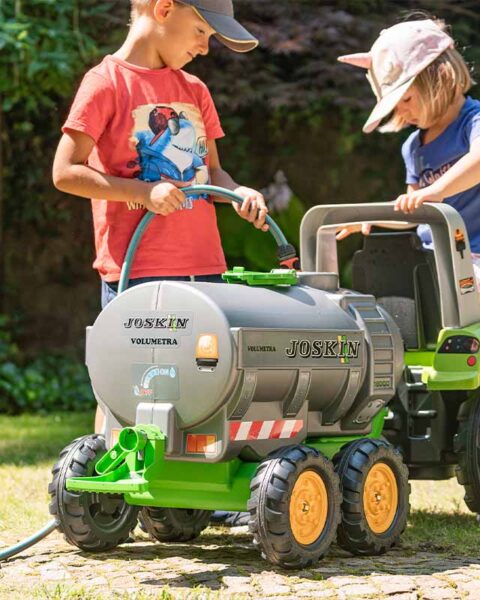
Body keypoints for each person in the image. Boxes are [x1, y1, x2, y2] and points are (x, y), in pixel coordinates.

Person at [52, 0, 266, 527]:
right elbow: (65, 171)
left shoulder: (195, 91)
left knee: (208, 388)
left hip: (204, 273)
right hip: (137, 275)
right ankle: (107, 499)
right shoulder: (107, 84)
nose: (204, 45)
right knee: (127, 388)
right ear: (162, 9)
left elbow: (213, 174)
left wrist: (239, 194)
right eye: (200, 30)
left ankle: (198, 494)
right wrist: (142, 192)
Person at [337, 18, 480, 319]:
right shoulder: (414, 146)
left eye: (406, 99)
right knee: (396, 292)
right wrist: (373, 217)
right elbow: (413, 209)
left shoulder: (477, 119)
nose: (401, 111)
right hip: (435, 256)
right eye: (394, 105)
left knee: (456, 291)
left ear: (440, 76)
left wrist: (436, 190)